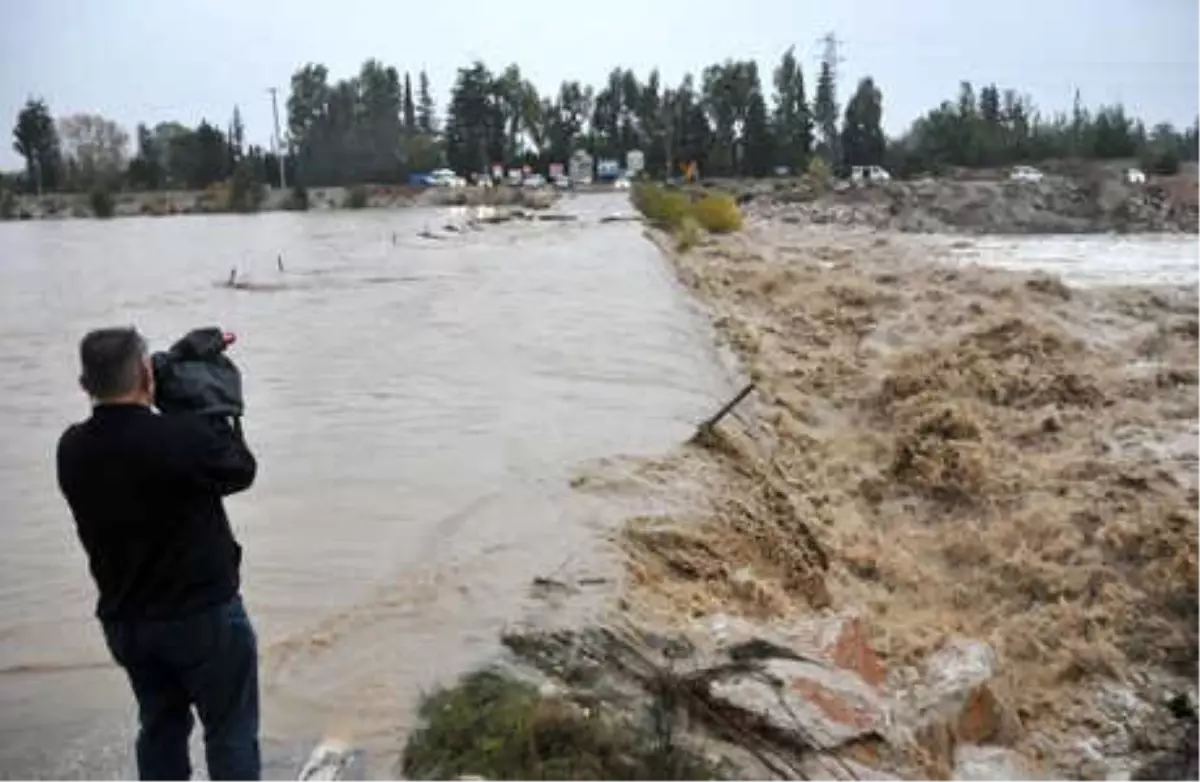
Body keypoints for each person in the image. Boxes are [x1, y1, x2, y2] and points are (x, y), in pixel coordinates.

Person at [56, 327, 260, 781]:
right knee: (230, 731)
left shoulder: (71, 449)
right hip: (203, 616)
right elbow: (240, 468)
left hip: (127, 622)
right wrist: (198, 397)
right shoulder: (182, 439)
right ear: (146, 373)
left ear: (85, 385)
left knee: (160, 728)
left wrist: (164, 391)